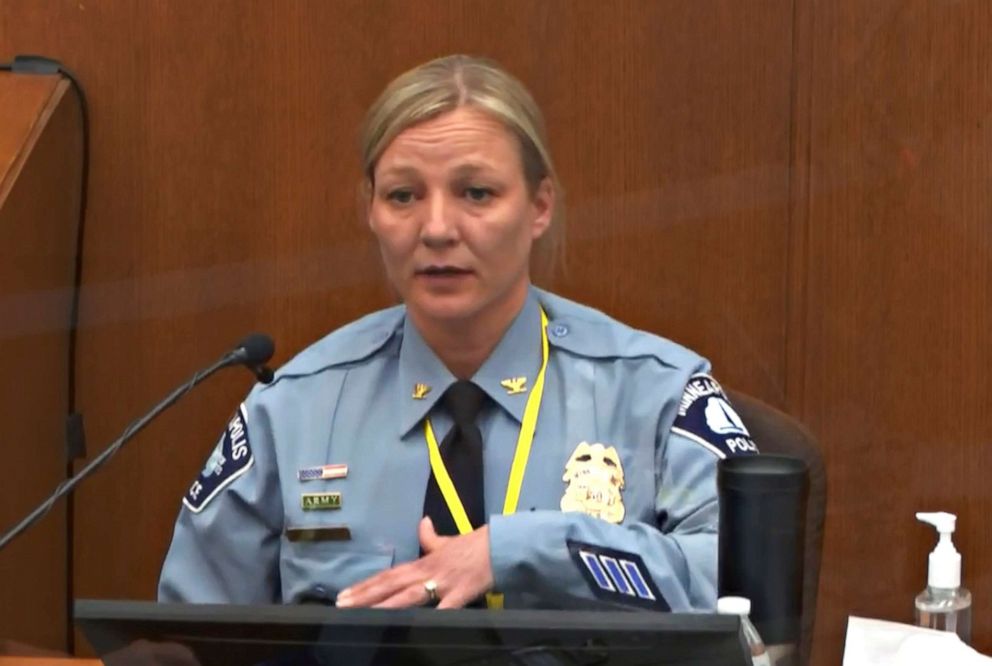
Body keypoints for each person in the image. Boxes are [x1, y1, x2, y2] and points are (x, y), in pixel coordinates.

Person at [158, 54, 759, 612]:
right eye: (403, 196)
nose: (437, 227)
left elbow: (747, 584)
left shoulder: (653, 393)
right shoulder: (297, 408)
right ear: (370, 209)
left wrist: (523, 550)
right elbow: (191, 630)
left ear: (539, 206)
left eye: (476, 193)